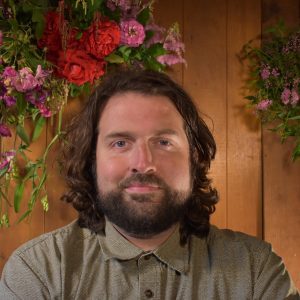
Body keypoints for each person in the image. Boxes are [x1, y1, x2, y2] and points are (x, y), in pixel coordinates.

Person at [0, 69, 299, 300]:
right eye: (120, 142)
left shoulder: (256, 271)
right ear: (92, 159)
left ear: (194, 157)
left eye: (164, 142)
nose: (143, 163)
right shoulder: (38, 270)